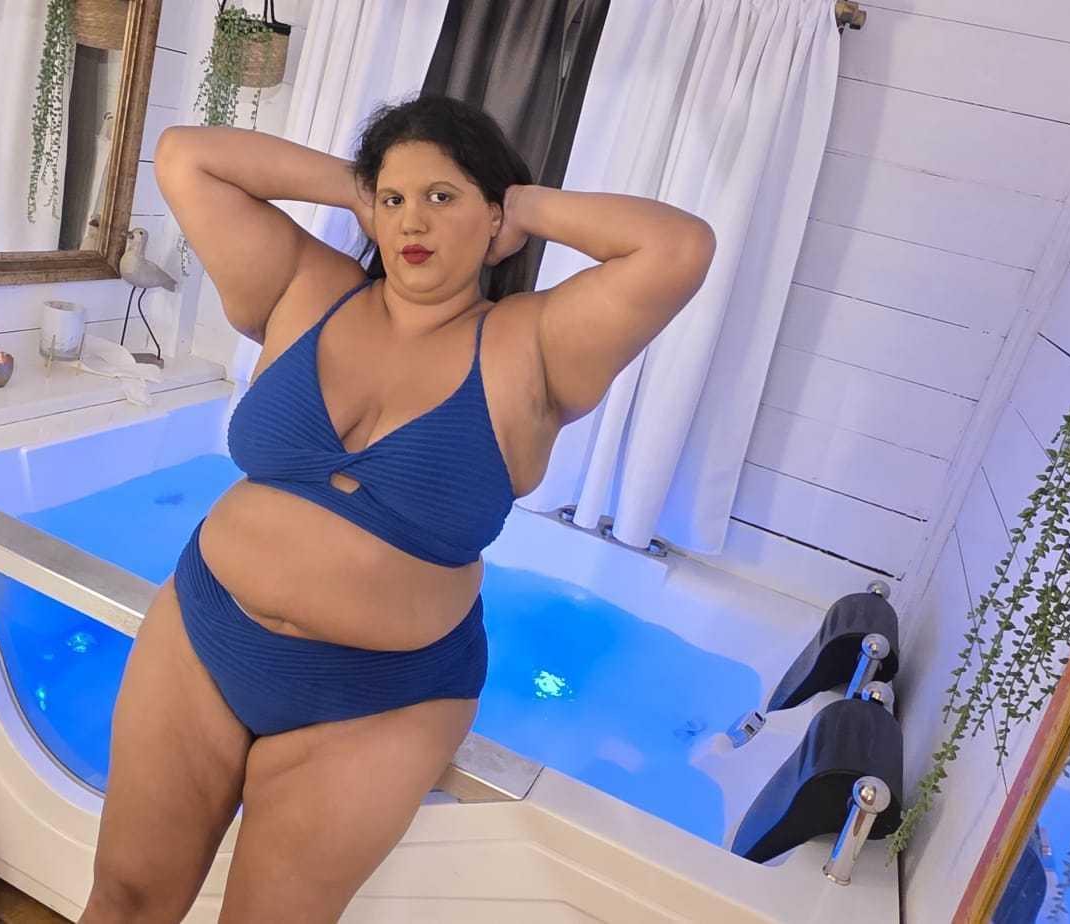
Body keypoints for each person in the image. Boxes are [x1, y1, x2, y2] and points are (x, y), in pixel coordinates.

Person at [81, 95, 714, 922]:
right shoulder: (307, 286)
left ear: (493, 217)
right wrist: (356, 189)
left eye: (442, 197)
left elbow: (678, 247)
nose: (413, 220)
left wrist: (521, 205)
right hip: (205, 634)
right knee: (124, 901)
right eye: (395, 199)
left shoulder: (536, 344)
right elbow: (184, 156)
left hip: (376, 700)